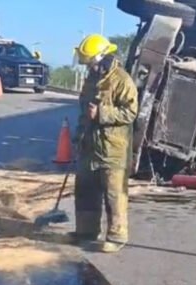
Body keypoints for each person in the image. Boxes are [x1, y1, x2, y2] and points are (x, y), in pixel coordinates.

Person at [72, 34, 139, 253]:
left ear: (102, 56)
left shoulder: (121, 79)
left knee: (114, 193)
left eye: (90, 61)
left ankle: (117, 237)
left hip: (113, 148)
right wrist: (78, 135)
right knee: (85, 189)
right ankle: (86, 231)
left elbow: (130, 112)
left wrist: (102, 112)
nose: (88, 65)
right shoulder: (92, 78)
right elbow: (84, 111)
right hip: (90, 146)